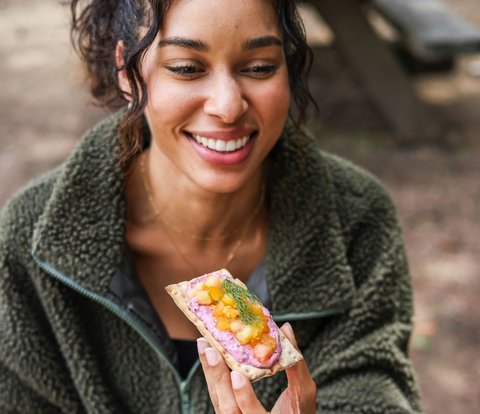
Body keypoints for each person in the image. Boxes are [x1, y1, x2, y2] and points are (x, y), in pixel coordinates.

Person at [0, 0, 422, 412]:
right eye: (187, 68)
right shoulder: (28, 241)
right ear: (127, 70)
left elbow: (373, 384)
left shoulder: (358, 218)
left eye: (259, 68)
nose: (227, 105)